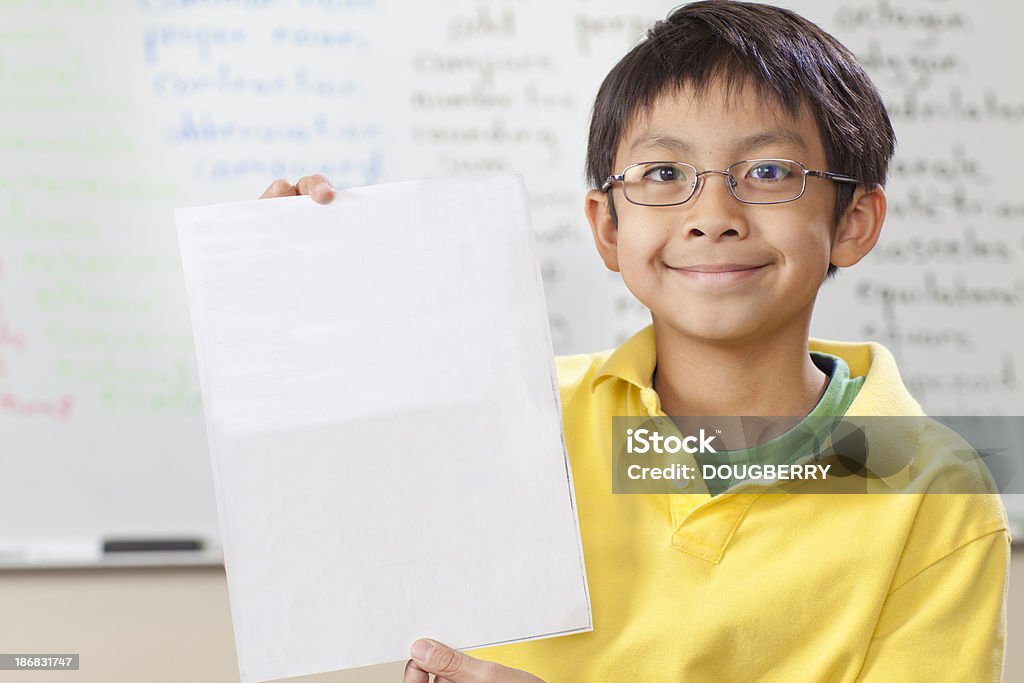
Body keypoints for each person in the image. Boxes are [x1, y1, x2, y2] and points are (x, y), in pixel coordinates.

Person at [260, 2, 1010, 681]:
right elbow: (323, 492)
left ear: (853, 222)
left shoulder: (933, 491)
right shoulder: (520, 420)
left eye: (770, 171)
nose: (712, 214)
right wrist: (288, 294)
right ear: (608, 227)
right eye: (662, 172)